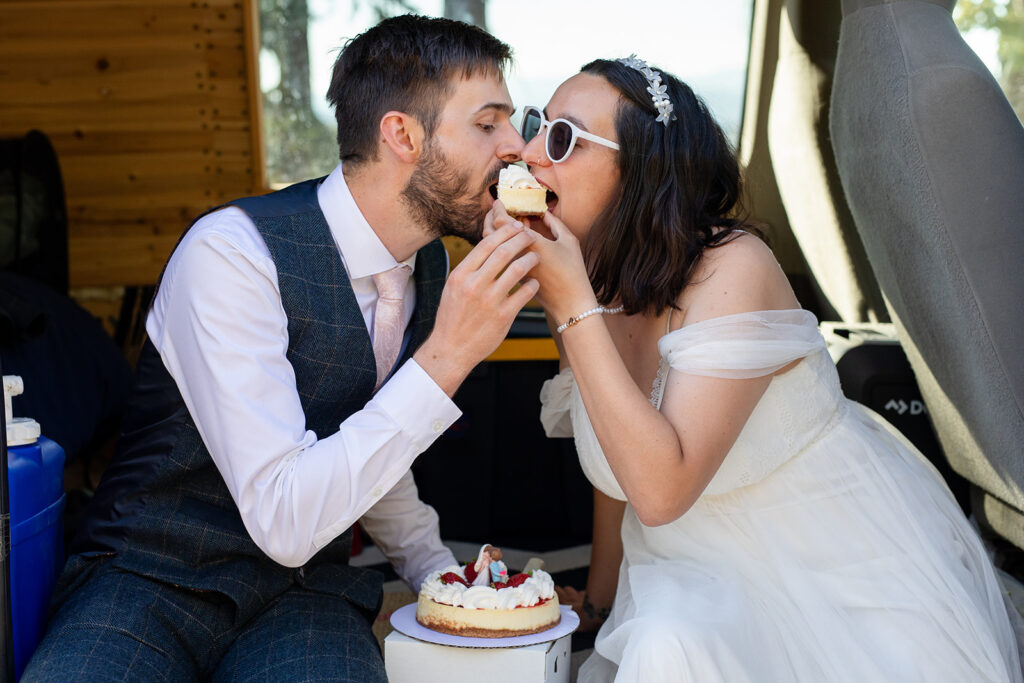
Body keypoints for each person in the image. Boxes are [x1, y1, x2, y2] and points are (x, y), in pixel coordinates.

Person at [23, 15, 539, 681]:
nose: (517, 147)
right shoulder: (232, 254)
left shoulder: (431, 268)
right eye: (489, 122)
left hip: (304, 595)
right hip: (148, 576)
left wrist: (436, 571)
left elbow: (364, 442)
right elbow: (283, 518)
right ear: (402, 135)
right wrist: (448, 356)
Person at [501, 55, 1023, 681]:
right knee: (665, 640)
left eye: (562, 137)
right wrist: (601, 596)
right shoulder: (590, 283)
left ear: (642, 169)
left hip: (833, 587)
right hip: (682, 584)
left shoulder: (731, 268)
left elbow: (661, 490)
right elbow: (618, 455)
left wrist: (569, 304)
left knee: (670, 647)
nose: (528, 151)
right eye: (536, 123)